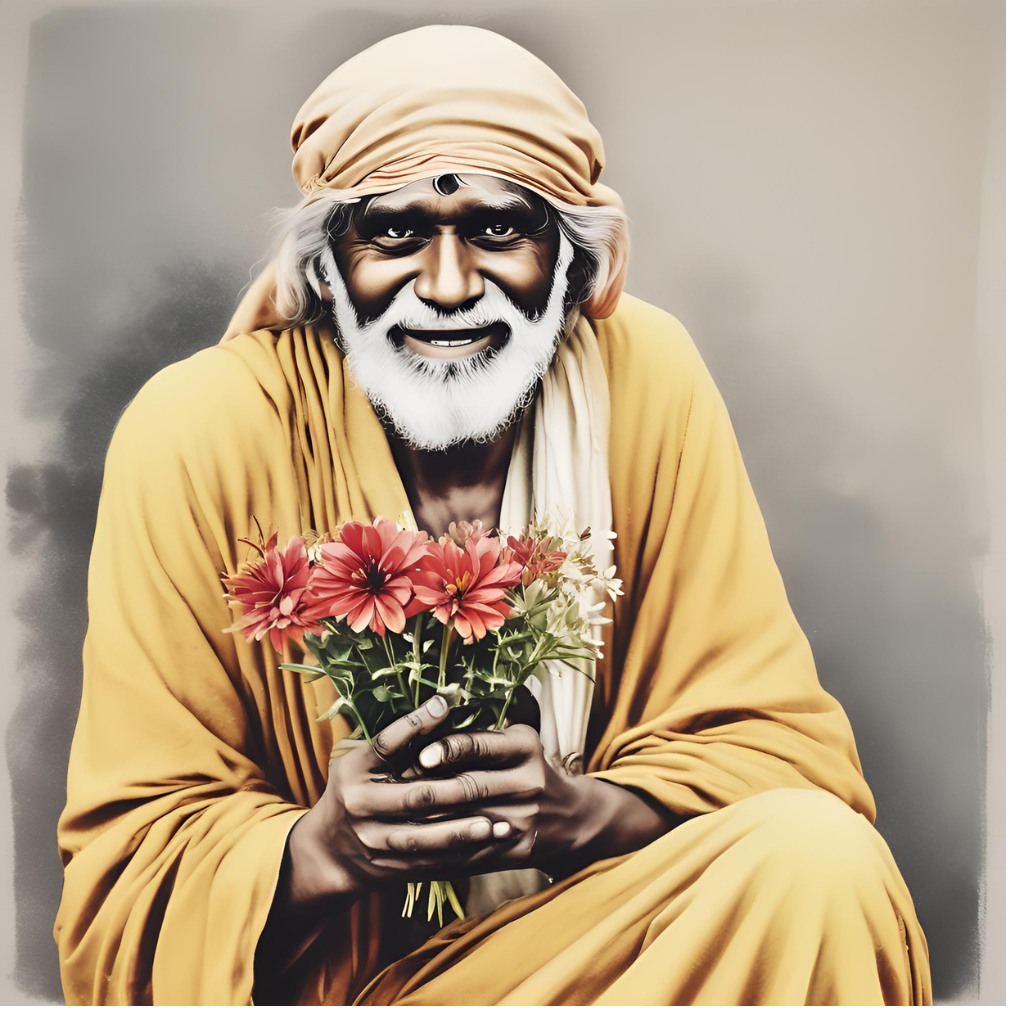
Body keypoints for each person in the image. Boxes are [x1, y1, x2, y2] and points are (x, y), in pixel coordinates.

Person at [54, 25, 931, 1005]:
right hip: (352, 992)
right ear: (327, 261)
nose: (447, 287)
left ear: (569, 256)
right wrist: (320, 848)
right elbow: (128, 873)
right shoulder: (199, 425)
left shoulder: (646, 378)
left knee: (819, 861)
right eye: (394, 232)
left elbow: (779, 756)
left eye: (496, 228)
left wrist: (586, 812)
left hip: (611, 959)